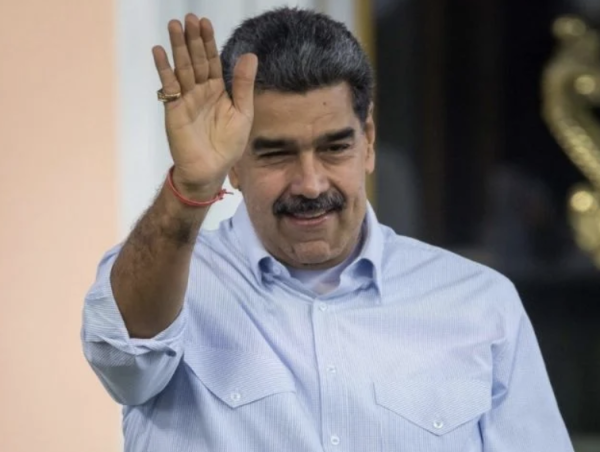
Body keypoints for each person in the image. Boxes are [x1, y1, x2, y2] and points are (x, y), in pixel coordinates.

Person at [81, 7, 574, 451]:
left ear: (369, 141)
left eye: (335, 148)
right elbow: (123, 361)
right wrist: (191, 184)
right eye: (276, 153)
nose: (311, 183)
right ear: (234, 162)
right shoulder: (170, 283)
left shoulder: (481, 304)